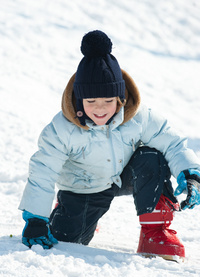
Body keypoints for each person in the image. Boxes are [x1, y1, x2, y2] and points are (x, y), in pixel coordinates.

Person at [19, 30, 200, 261]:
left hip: (123, 175)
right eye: (91, 101)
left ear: (120, 99)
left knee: (151, 156)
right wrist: (36, 219)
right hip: (84, 188)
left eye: (108, 101)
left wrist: (190, 173)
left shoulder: (137, 117)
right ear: (79, 100)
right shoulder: (62, 129)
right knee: (65, 242)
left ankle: (154, 233)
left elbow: (171, 141)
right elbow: (43, 171)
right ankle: (66, 210)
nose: (100, 108)